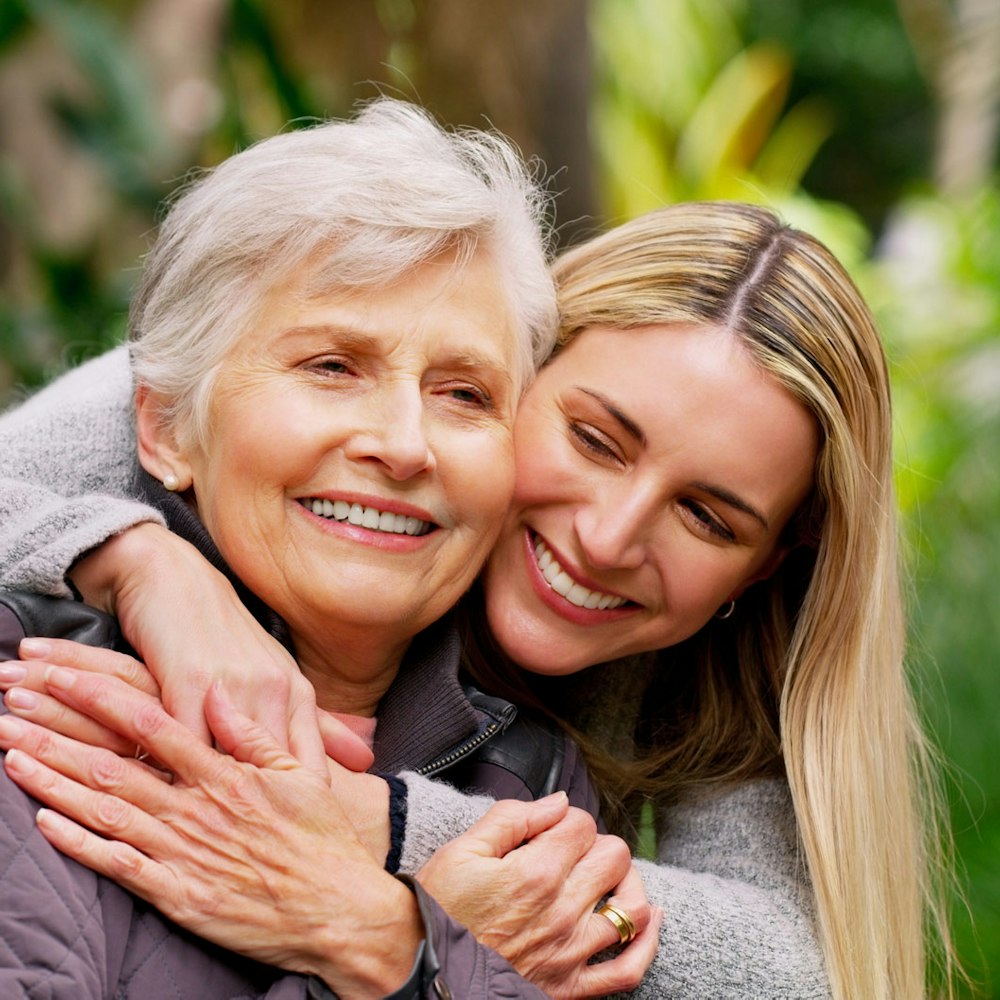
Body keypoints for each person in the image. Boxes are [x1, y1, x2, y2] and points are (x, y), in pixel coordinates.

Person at [0, 201, 954, 999]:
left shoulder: (708, 667)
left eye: (707, 517)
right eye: (594, 439)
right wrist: (139, 559)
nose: (609, 538)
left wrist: (388, 875)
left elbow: (794, 969)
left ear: (761, 567)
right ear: (510, 370)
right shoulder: (249, 394)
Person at [0, 97, 662, 999]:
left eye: (464, 393)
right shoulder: (36, 703)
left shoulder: (530, 789)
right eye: (331, 367)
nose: (404, 442)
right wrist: (413, 964)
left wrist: (389, 941)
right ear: (165, 431)